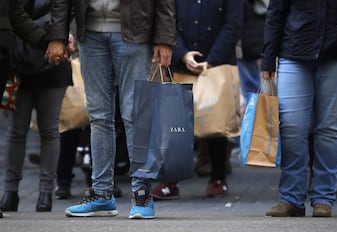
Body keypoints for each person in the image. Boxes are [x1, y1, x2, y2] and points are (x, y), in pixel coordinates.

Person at [45, 0, 176, 219]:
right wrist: (58, 35)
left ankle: (141, 193)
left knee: (134, 114)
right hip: (90, 33)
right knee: (98, 116)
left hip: (135, 32)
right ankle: (102, 193)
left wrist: (164, 38)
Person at [261, 0, 337, 217]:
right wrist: (268, 58)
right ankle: (291, 198)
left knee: (330, 128)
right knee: (292, 127)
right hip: (294, 51)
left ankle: (323, 198)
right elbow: (276, 10)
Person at [151, 0, 243, 200]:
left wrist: (212, 60)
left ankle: (218, 177)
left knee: (215, 122)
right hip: (182, 63)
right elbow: (168, 21)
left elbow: (233, 24)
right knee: (176, 124)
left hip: (216, 63)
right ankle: (171, 180)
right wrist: (183, 54)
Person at [0, 0, 72, 213]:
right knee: (16, 130)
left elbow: (73, 12)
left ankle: (45, 193)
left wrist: (60, 41)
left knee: (49, 130)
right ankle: (10, 192)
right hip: (17, 61)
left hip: (51, 60)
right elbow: (16, 15)